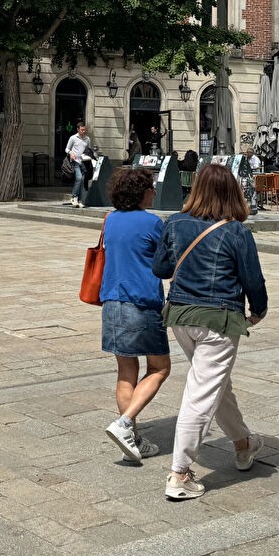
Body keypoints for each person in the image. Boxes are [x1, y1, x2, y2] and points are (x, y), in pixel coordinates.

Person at [153, 164, 270, 501]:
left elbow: (160, 268)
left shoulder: (174, 222)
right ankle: (179, 474)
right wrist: (258, 310)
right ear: (232, 191)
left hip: (180, 316)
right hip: (218, 319)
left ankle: (243, 444)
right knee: (202, 392)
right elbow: (253, 280)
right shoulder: (237, 232)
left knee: (217, 384)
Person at [101, 167, 170, 464]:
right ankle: (125, 423)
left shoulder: (110, 219)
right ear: (141, 192)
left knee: (126, 371)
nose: (154, 192)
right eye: (151, 187)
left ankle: (133, 439)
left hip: (111, 301)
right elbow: (168, 262)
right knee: (159, 368)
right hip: (142, 303)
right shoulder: (153, 223)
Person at [65, 121, 93, 208]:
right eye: (82, 130)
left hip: (84, 162)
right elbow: (67, 149)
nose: (83, 131)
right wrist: (71, 153)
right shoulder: (73, 138)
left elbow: (89, 149)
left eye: (84, 130)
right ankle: (74, 197)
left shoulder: (87, 139)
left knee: (83, 181)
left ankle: (80, 200)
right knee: (79, 178)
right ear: (78, 129)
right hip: (75, 161)